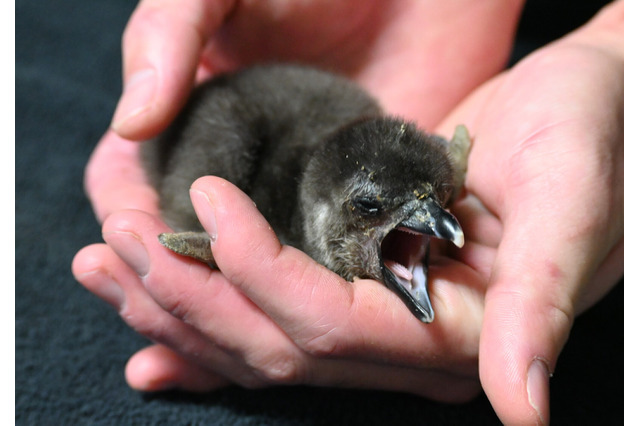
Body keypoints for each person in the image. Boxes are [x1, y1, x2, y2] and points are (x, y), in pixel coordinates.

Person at [72, 1, 623, 424]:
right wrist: (204, 241)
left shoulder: (350, 126)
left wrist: (619, 47)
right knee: (215, 169)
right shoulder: (244, 158)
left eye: (435, 201)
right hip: (246, 128)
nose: (437, 225)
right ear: (323, 208)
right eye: (367, 210)